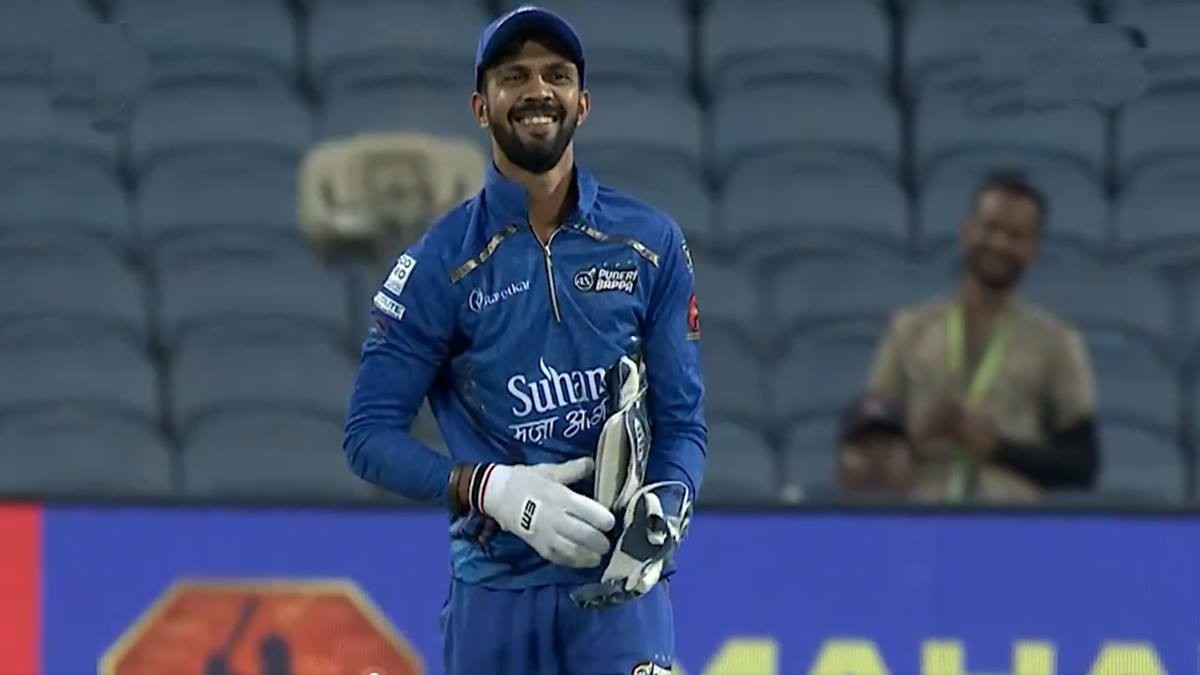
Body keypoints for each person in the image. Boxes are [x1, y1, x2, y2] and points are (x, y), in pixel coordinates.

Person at [342, 6, 706, 674]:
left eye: (556, 75)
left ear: (583, 102)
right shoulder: (438, 263)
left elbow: (683, 423)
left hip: (619, 592)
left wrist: (668, 503)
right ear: (480, 107)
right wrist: (489, 488)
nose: (538, 90)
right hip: (495, 592)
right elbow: (367, 437)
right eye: (514, 76)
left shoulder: (649, 242)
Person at [866, 171, 1099, 502]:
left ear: (1033, 249)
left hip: (1010, 520)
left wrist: (998, 448)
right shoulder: (907, 330)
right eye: (990, 228)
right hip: (921, 514)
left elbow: (1082, 465)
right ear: (967, 231)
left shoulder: (1058, 342)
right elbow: (862, 458)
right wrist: (915, 436)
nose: (999, 243)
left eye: (1015, 235)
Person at [836, 393, 918, 497]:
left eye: (887, 444)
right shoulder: (819, 504)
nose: (877, 458)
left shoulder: (934, 504)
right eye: (864, 445)